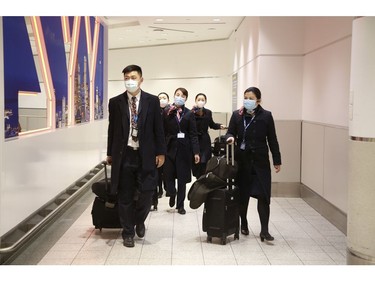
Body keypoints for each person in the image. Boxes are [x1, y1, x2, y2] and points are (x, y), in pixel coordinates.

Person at [106, 64, 166, 248]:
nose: (129, 81)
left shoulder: (152, 101)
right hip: (125, 156)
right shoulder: (115, 102)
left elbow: (159, 129)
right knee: (124, 195)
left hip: (146, 155)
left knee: (147, 193)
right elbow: (112, 130)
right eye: (126, 78)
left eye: (133, 77)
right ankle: (128, 232)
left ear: (141, 79)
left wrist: (161, 152)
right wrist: (110, 153)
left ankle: (139, 220)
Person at [226, 86, 281, 242]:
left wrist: (277, 160)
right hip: (242, 162)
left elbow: (272, 139)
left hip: (261, 163)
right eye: (245, 98)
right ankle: (243, 222)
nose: (247, 101)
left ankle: (264, 230)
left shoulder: (266, 116)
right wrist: (230, 138)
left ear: (258, 100)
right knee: (243, 196)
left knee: (264, 196)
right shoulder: (237, 115)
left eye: (251, 98)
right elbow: (230, 132)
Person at [162, 87, 200, 215]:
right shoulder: (167, 112)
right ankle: (172, 193)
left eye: (182, 96)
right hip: (169, 148)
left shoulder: (189, 114)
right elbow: (162, 131)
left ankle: (181, 205)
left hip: (184, 150)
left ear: (186, 99)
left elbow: (193, 134)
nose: (179, 97)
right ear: (173, 96)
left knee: (182, 180)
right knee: (168, 176)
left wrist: (196, 152)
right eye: (177, 94)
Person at [191, 93, 227, 179]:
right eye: (199, 99)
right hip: (194, 140)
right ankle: (198, 179)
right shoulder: (191, 113)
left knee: (205, 162)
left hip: (205, 140)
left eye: (202, 100)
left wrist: (220, 126)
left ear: (205, 101)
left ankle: (203, 180)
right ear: (195, 101)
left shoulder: (208, 112)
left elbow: (212, 124)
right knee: (196, 163)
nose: (200, 101)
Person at [150, 92, 170, 211]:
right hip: (156, 147)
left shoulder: (171, 112)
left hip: (168, 145)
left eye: (164, 98)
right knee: (156, 172)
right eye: (160, 98)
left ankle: (167, 188)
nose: (162, 100)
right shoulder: (154, 111)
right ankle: (157, 193)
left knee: (166, 171)